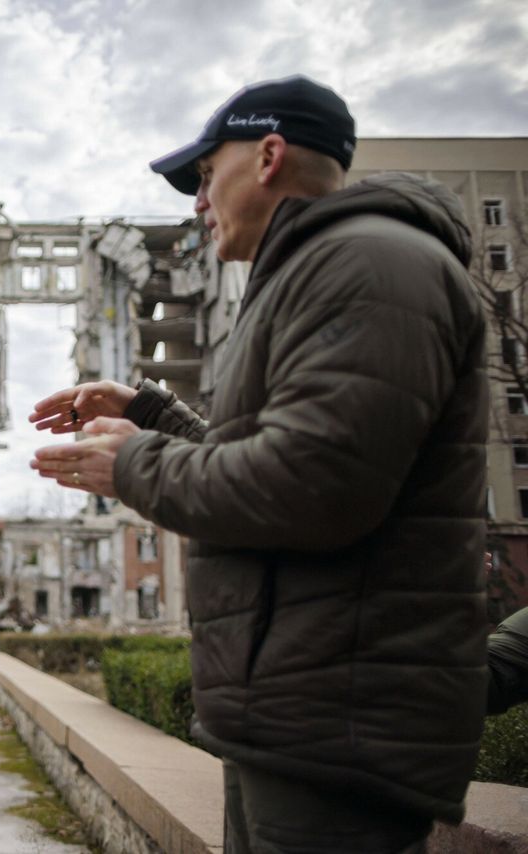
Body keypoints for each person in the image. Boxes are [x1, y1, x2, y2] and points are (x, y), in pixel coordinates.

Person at [30, 76, 487, 853]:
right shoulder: (318, 271)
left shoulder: (370, 264)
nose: (198, 204)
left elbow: (315, 488)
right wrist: (149, 414)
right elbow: (281, 457)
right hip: (299, 722)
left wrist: (136, 465)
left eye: (206, 177)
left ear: (269, 155)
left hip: (338, 734)